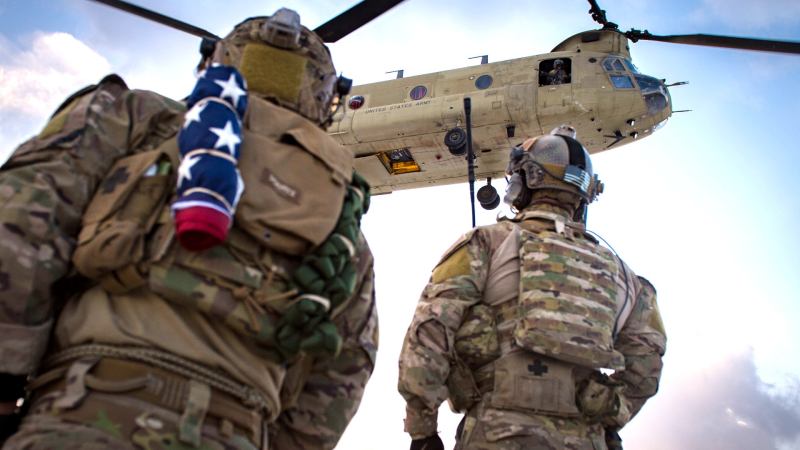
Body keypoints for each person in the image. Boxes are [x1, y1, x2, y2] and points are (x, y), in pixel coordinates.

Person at [0, 9, 377, 450]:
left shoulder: (134, 118)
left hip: (82, 412)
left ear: (216, 63)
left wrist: (5, 387)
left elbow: (21, 219)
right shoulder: (343, 217)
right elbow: (342, 376)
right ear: (325, 98)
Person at [398, 126, 666, 449]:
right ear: (582, 196)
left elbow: (428, 334)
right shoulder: (626, 279)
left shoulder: (485, 245)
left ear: (522, 183)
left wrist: (423, 431)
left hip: (493, 435)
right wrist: (608, 416)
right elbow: (646, 367)